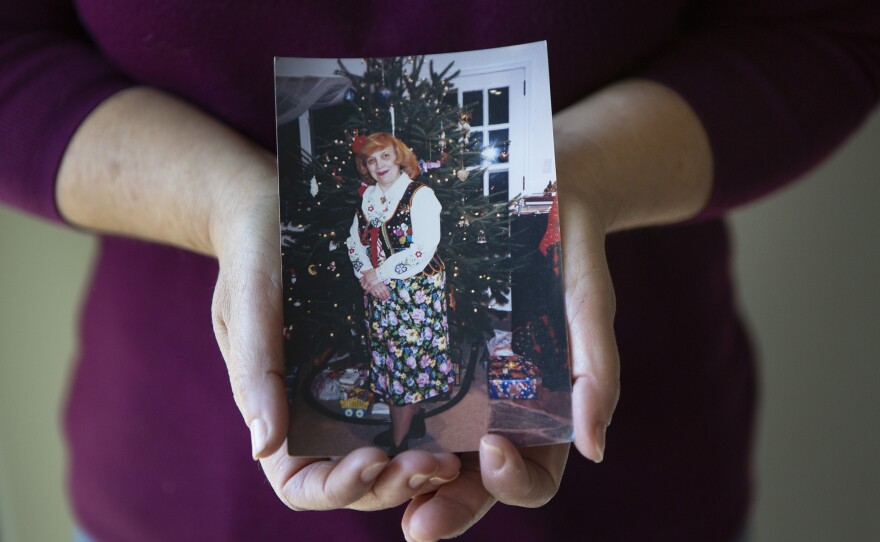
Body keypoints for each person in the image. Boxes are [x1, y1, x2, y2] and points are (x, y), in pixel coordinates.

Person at [1, 1, 878, 541]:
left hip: (630, 495)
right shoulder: (370, 204)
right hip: (184, 489)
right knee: (392, 352)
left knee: (427, 350)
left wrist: (583, 178)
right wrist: (234, 205)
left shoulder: (417, 204)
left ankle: (430, 398)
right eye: (370, 168)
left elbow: (828, 24)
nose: (379, 174)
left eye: (388, 166)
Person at [346, 132, 450, 454]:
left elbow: (423, 248)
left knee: (407, 363)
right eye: (371, 160)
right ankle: (414, 423)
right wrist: (368, 276)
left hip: (414, 293)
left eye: (385, 157)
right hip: (378, 291)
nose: (379, 165)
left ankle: (398, 442)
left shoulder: (421, 195)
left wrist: (381, 273)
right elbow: (354, 241)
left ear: (399, 157)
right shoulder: (368, 198)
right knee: (391, 359)